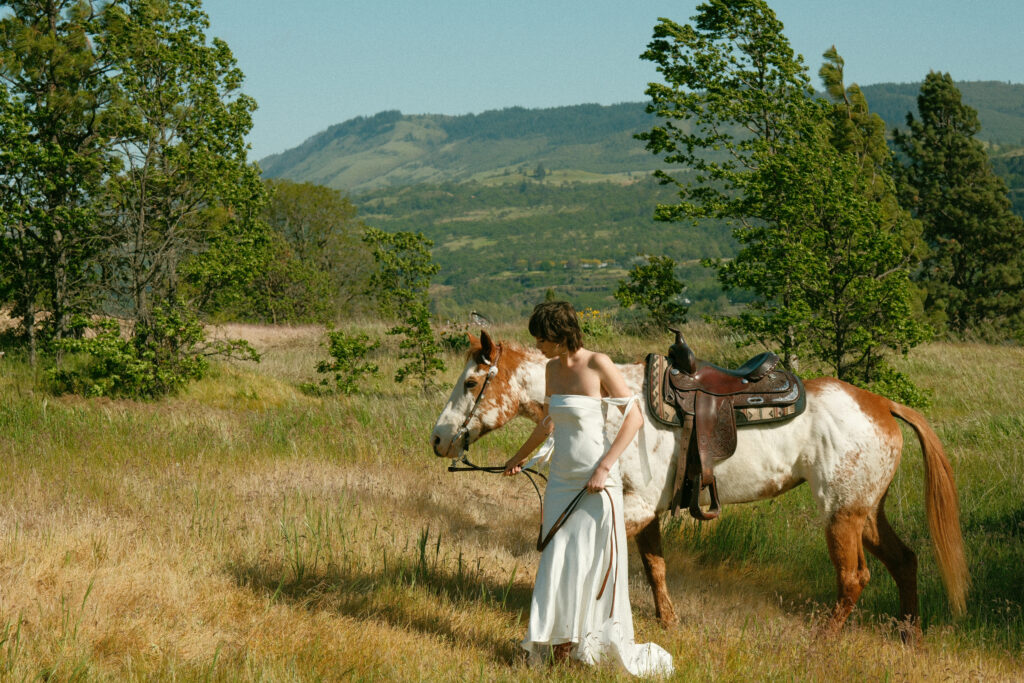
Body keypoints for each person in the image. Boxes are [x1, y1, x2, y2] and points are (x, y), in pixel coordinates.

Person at [504, 301, 674, 677]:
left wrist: (604, 466)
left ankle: (591, 643)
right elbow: (548, 421)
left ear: (561, 334)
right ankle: (559, 643)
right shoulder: (550, 368)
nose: (538, 345)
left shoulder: (598, 363)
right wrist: (517, 458)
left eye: (542, 338)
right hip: (562, 480)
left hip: (598, 482)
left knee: (596, 563)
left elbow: (634, 419)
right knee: (558, 560)